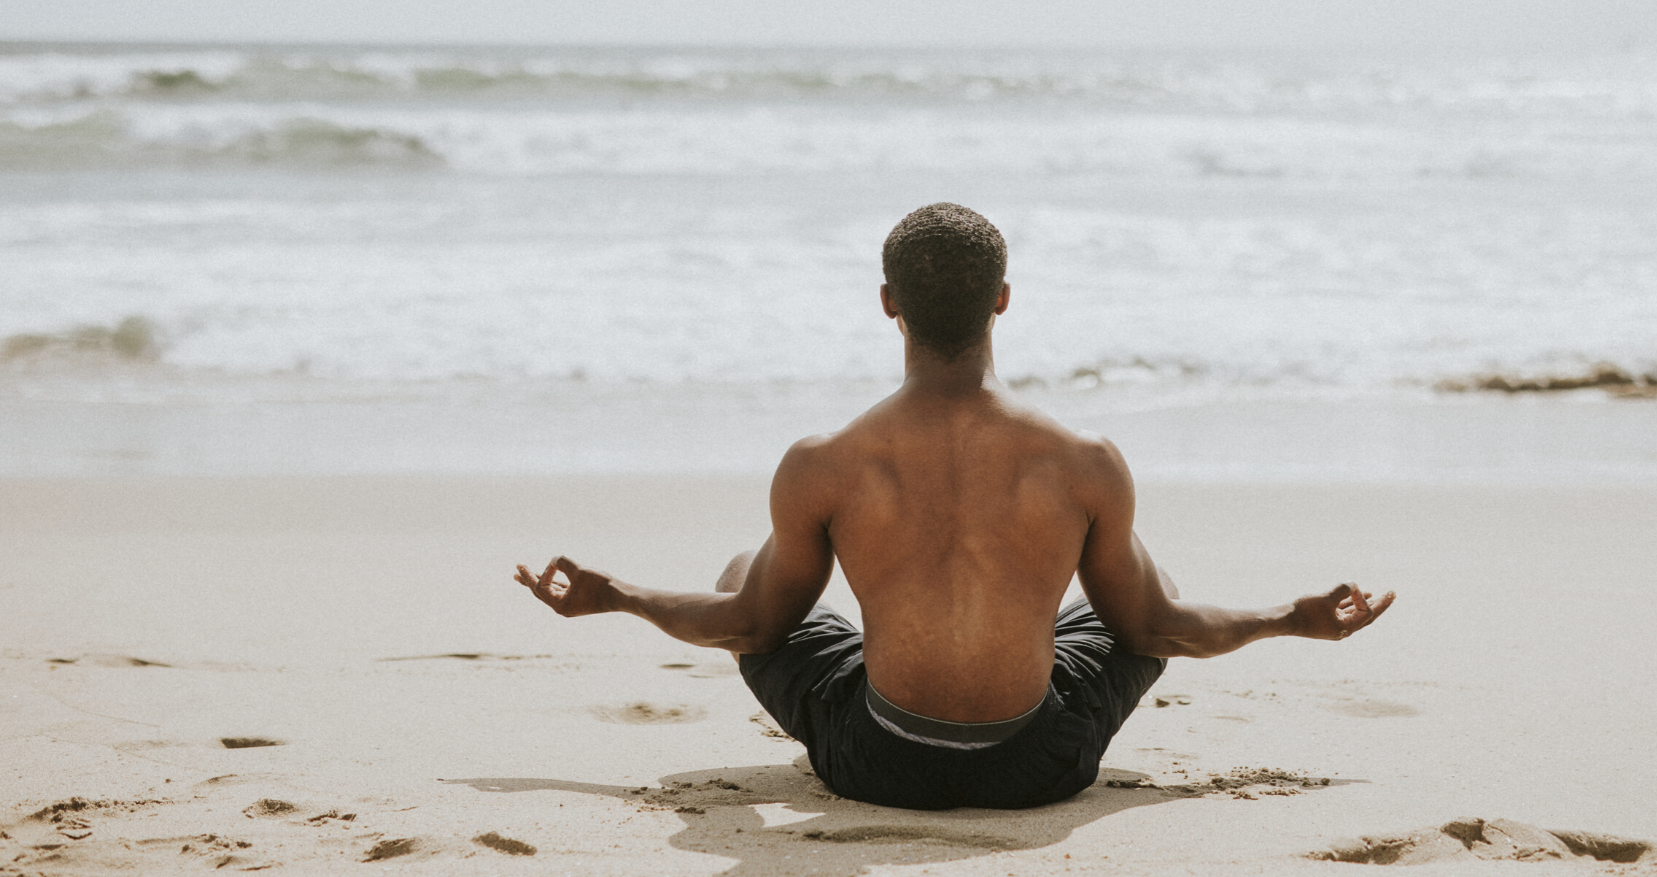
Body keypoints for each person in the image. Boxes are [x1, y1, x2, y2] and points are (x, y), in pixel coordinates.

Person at [514, 202, 1394, 810]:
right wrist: (1291, 617)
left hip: (880, 766)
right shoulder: (1085, 463)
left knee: (752, 575)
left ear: (889, 304)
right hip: (1038, 768)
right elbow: (1159, 631)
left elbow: (748, 625)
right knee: (1137, 596)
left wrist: (618, 596)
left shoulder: (826, 463)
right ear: (1002, 301)